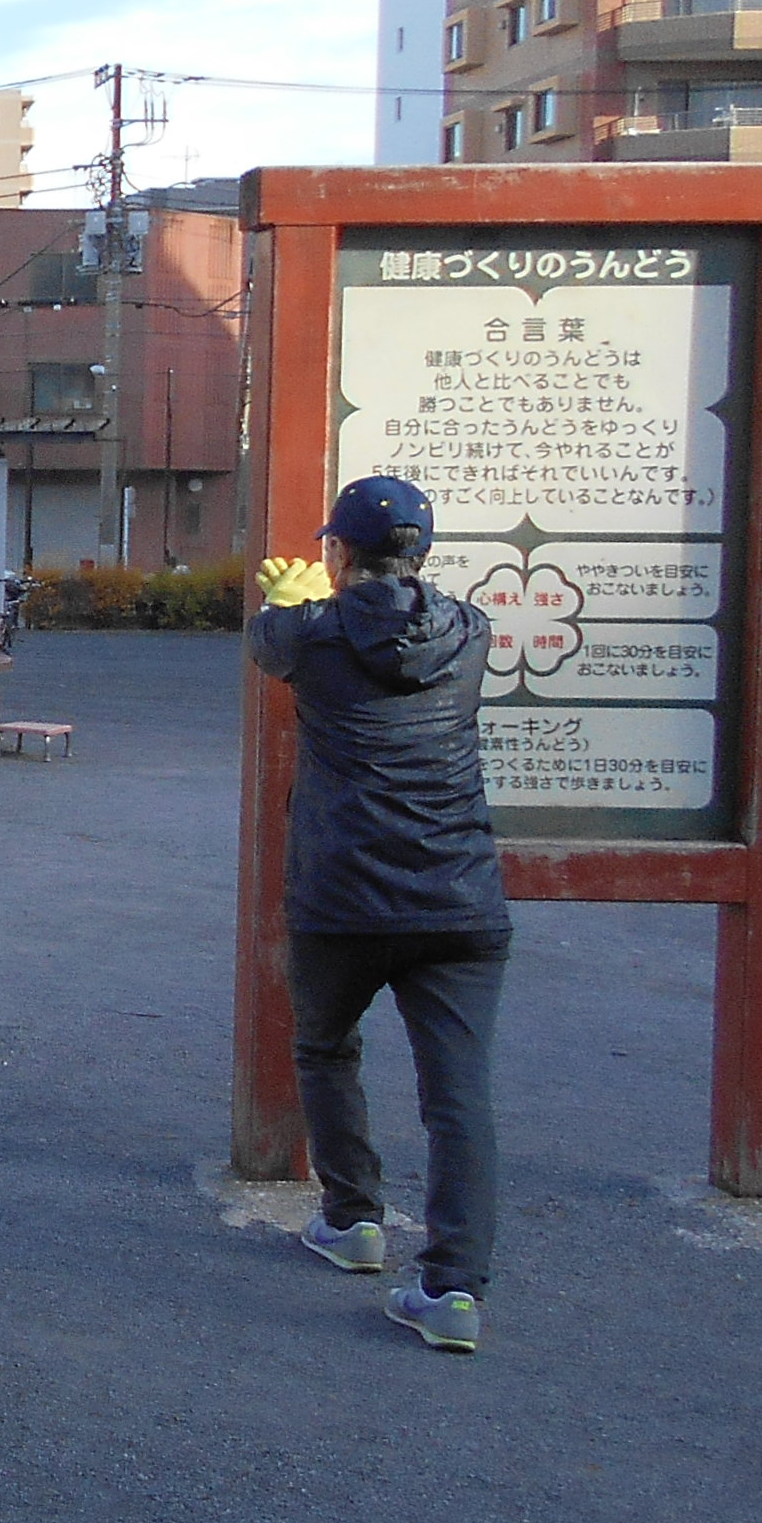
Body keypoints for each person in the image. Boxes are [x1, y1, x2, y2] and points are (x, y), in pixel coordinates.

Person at [249, 474, 510, 1356]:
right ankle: (452, 1292)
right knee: (459, 1094)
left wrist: (294, 596)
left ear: (338, 552)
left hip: (343, 896)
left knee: (326, 1048)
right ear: (424, 553)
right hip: (459, 896)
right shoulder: (471, 631)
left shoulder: (312, 635)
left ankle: (354, 1220)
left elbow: (269, 638)